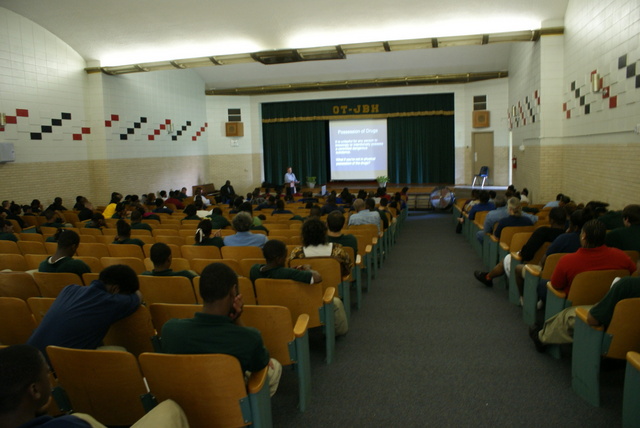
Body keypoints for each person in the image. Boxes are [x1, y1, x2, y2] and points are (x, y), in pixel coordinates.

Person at [161, 262, 282, 396]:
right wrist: (237, 320)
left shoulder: (169, 329)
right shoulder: (249, 338)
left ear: (201, 292)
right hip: (231, 401)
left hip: (188, 398)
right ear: (233, 291)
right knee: (274, 366)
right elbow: (262, 363)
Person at [0, 344, 190, 428]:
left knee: (81, 416)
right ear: (34, 390)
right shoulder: (66, 425)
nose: (51, 379)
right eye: (47, 374)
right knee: (169, 408)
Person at [27, 265, 142, 361]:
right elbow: (137, 297)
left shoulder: (69, 289)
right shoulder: (109, 302)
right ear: (115, 289)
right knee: (121, 353)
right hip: (57, 367)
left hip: (31, 356)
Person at [250, 239, 348, 336]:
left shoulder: (254, 269)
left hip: (270, 309)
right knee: (336, 302)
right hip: (297, 307)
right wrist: (307, 268)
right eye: (285, 256)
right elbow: (317, 278)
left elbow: (274, 273)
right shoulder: (288, 273)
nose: (286, 258)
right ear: (278, 259)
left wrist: (289, 270)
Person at [473, 207, 566, 297]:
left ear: (551, 220)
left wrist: (520, 253)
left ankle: (488, 277)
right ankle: (488, 276)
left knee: (508, 258)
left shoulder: (542, 232)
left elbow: (527, 255)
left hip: (535, 269)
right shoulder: (568, 237)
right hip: (558, 275)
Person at [529, 276, 640, 351]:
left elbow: (593, 319)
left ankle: (541, 338)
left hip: (610, 338)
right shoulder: (624, 260)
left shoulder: (627, 285)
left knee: (569, 315)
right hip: (634, 341)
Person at [546, 219, 636, 297]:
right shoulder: (622, 256)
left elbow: (556, 285)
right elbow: (634, 274)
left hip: (574, 306)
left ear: (583, 236)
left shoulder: (567, 261)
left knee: (543, 285)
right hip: (610, 305)